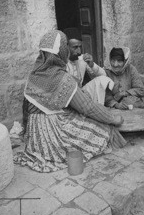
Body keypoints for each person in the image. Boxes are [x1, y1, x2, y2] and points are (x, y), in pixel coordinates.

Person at [16, 30, 126, 173]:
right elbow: (88, 108)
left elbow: (26, 107)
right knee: (102, 128)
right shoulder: (62, 78)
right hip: (53, 133)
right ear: (62, 51)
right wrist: (113, 118)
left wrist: (26, 132)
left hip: (35, 135)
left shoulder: (34, 74)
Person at [63, 28, 113, 104]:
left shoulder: (82, 59)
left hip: (81, 94)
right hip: (65, 97)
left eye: (80, 47)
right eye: (75, 47)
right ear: (66, 47)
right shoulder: (60, 61)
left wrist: (92, 64)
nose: (79, 51)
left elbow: (103, 75)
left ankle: (99, 108)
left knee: (103, 80)